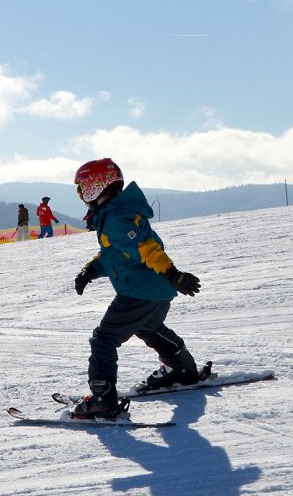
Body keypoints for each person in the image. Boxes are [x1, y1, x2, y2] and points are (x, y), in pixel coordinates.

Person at [70, 158, 204, 419]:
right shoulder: (118, 213)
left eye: (82, 189)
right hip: (157, 290)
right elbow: (115, 254)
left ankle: (102, 400)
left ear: (96, 187)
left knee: (104, 340)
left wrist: (173, 273)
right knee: (148, 327)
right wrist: (90, 271)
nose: (81, 196)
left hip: (139, 291)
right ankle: (182, 369)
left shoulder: (116, 218)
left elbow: (146, 249)